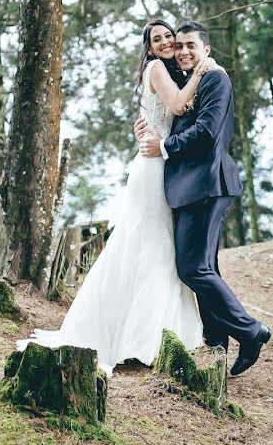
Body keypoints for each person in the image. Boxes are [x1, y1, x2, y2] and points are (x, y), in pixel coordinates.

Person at [17, 19, 217, 376]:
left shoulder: (171, 71)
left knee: (155, 245)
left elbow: (161, 113)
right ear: (150, 48)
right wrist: (203, 72)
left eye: (169, 36)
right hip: (152, 168)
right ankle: (142, 337)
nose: (166, 42)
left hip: (159, 162)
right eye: (157, 39)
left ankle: (162, 332)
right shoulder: (158, 69)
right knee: (151, 245)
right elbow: (175, 107)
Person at [136, 20, 270, 377]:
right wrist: (148, 126)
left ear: (206, 49)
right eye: (178, 46)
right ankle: (216, 342)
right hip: (189, 188)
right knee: (205, 268)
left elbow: (208, 133)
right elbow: (173, 111)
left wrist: (163, 145)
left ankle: (250, 331)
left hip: (206, 185)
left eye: (190, 45)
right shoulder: (187, 80)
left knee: (192, 269)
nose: (182, 51)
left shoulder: (215, 78)